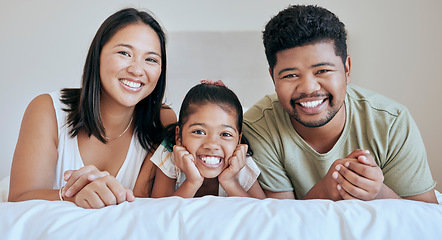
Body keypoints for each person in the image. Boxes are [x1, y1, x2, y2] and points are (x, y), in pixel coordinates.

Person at [243, 5, 437, 203]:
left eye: (323, 71)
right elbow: (281, 221)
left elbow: (426, 215)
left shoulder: (391, 122)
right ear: (273, 78)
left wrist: (377, 192)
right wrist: (327, 188)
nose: (309, 88)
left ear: (347, 70)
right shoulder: (257, 126)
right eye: (291, 75)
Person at [8, 8, 176, 208]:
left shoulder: (163, 120)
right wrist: (73, 195)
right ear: (98, 55)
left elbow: (157, 204)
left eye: (151, 59)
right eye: (124, 53)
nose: (137, 70)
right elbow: (18, 201)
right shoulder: (47, 110)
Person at [150, 81, 265, 199]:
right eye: (199, 132)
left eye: (225, 134)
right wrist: (192, 182)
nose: (212, 145)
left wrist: (230, 182)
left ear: (238, 141)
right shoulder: (170, 155)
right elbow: (161, 212)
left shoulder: (240, 164)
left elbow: (262, 214)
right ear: (179, 136)